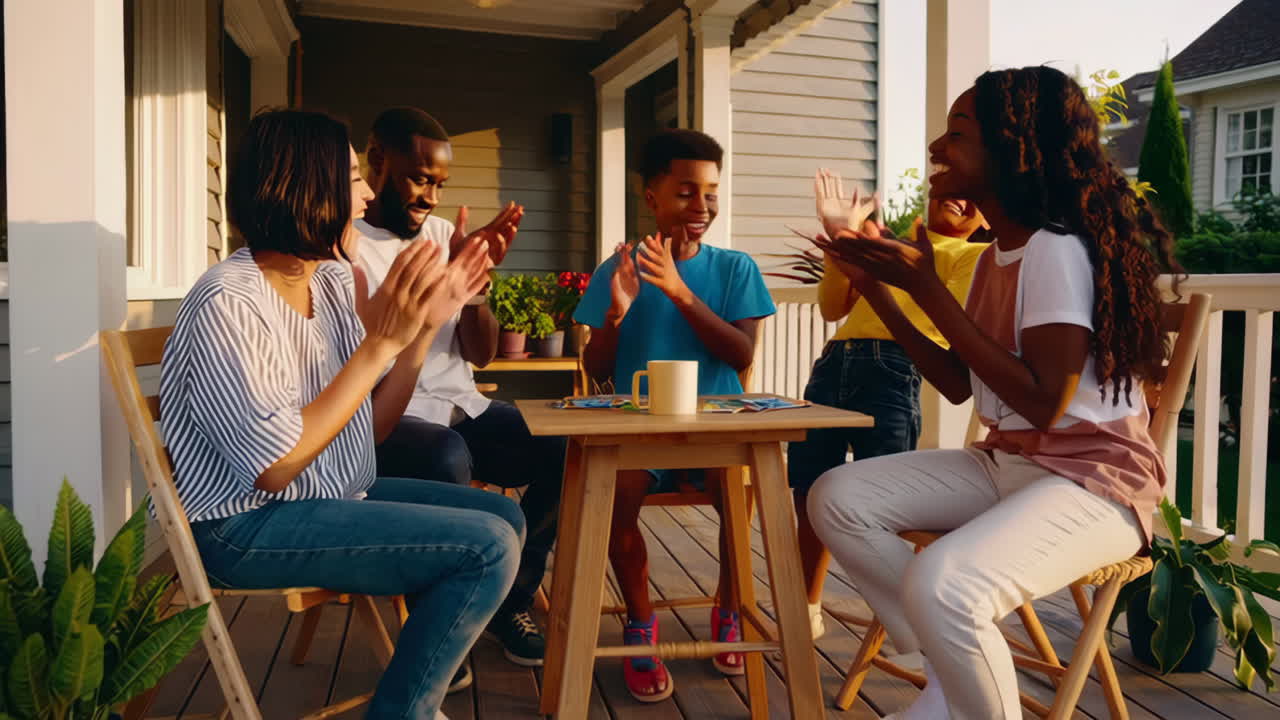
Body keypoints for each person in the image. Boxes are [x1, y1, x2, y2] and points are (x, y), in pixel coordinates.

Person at [806, 65, 1179, 720]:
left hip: (1096, 485)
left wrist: (926, 289)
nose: (936, 150)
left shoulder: (1055, 251)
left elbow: (1045, 402)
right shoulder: (997, 255)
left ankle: (960, 670)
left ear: (1013, 148)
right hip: (1009, 464)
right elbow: (956, 385)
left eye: (958, 132)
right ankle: (956, 671)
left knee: (946, 584)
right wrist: (878, 292)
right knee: (837, 497)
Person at [161, 109, 521, 720]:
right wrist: (378, 344)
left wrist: (423, 327)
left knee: (503, 514)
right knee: (484, 548)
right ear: (308, 189)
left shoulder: (325, 281)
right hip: (242, 525)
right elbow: (274, 468)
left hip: (328, 493)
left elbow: (370, 429)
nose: (365, 194)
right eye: (352, 179)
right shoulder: (226, 301)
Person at [352, 107, 566, 670]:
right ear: (378, 160)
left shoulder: (446, 235)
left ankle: (508, 603)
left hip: (462, 405)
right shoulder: (347, 244)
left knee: (561, 444)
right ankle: (440, 628)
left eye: (440, 184)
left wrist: (477, 287)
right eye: (420, 178)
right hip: (384, 418)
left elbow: (481, 353)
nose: (431, 197)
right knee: (448, 457)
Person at [574, 129, 776, 703]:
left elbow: (740, 357)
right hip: (640, 435)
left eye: (711, 192)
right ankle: (641, 625)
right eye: (686, 192)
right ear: (650, 196)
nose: (703, 206)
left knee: (737, 493)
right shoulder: (617, 269)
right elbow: (597, 370)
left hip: (715, 437)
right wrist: (615, 314)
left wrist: (682, 294)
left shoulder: (735, 270)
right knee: (616, 495)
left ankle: (729, 609)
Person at [788, 192, 989, 637]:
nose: (957, 197)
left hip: (893, 366)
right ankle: (806, 605)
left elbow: (943, 318)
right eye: (946, 187)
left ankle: (906, 617)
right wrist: (844, 244)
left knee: (885, 494)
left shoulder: (971, 254)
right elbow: (832, 306)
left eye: (969, 196)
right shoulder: (887, 245)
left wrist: (883, 268)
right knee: (807, 487)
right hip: (834, 362)